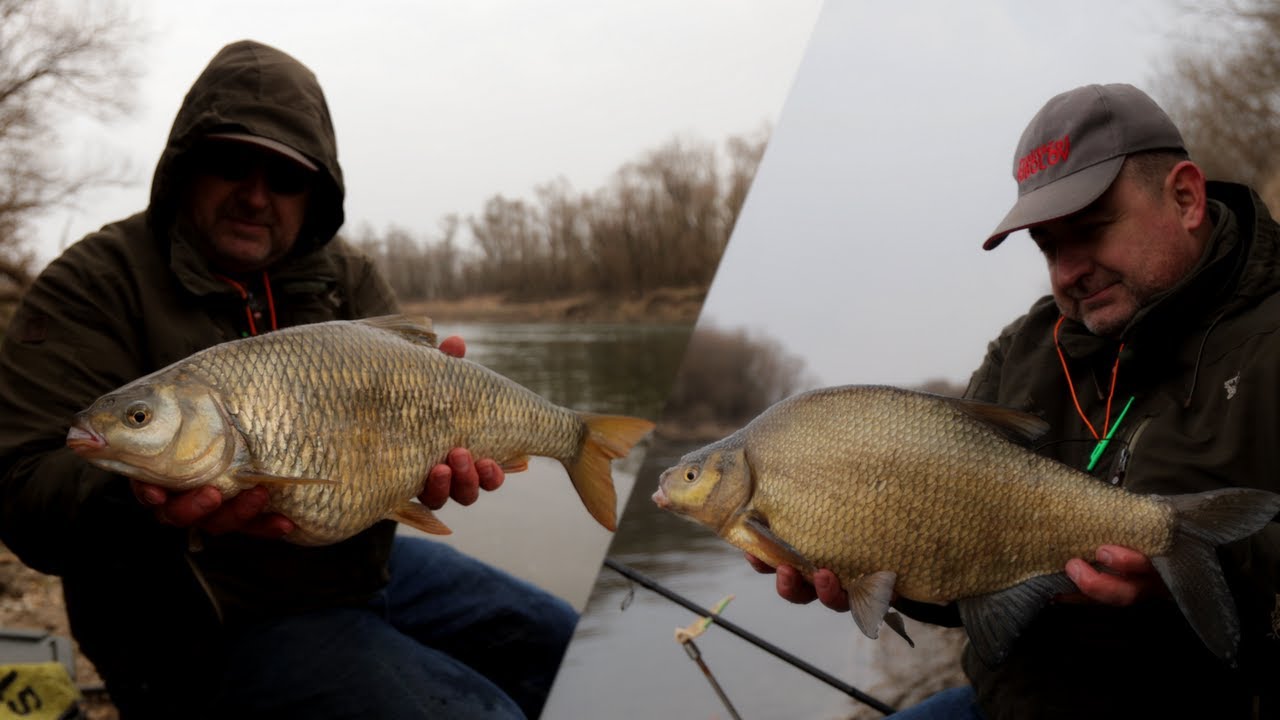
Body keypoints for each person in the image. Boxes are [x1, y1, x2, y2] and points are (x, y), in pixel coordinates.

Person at [0, 40, 576, 720]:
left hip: (357, 570)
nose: (255, 195)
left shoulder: (348, 277)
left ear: (318, 190)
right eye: (231, 164)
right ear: (185, 166)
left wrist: (427, 464)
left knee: (566, 640)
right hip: (196, 624)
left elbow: (413, 459)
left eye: (286, 177)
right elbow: (22, 490)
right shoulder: (94, 283)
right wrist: (140, 495)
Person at [753, 83, 1280, 719]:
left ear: (1186, 197)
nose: (1065, 272)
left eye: (1090, 230)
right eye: (1048, 245)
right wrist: (873, 563)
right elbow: (966, 581)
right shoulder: (1024, 350)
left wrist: (1187, 577)